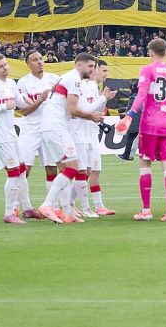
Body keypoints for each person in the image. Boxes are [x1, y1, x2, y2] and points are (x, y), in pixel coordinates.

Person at [116, 38, 166, 222]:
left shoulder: (148, 70)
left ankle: (146, 210)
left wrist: (130, 115)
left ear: (150, 52)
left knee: (145, 164)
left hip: (149, 124)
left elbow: (141, 95)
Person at [37, 53, 105, 223]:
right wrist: (92, 117)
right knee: (73, 168)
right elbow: (73, 110)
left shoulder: (66, 78)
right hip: (57, 128)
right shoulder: (74, 79)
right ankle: (48, 205)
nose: (92, 70)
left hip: (50, 127)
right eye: (90, 66)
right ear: (79, 65)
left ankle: (67, 212)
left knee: (64, 170)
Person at [0, 54, 45, 224]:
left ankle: (28, 209)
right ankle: (9, 213)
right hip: (0, 136)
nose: (5, 68)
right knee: (14, 173)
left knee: (22, 170)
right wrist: (3, 106)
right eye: (1, 66)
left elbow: (19, 103)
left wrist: (30, 101)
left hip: (11, 134)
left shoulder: (11, 83)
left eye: (6, 64)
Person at [72, 58, 116, 218]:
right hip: (79, 133)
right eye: (103, 70)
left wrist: (103, 101)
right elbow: (84, 110)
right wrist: (103, 99)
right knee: (83, 171)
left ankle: (73, 204)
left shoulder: (92, 86)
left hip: (91, 133)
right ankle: (87, 207)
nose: (105, 74)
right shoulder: (80, 85)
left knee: (90, 170)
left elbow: (94, 111)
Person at [16, 51, 61, 198]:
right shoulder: (23, 82)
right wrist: (41, 99)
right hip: (31, 129)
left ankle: (52, 206)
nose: (40, 62)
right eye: (35, 60)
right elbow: (24, 111)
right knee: (23, 169)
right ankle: (18, 206)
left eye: (41, 59)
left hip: (50, 129)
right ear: (28, 64)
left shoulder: (54, 79)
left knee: (52, 169)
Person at [116, 84, 142, 162]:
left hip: (134, 122)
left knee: (130, 139)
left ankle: (127, 155)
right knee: (137, 140)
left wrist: (124, 115)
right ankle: (130, 155)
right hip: (141, 121)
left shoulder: (133, 98)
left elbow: (130, 110)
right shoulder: (142, 97)